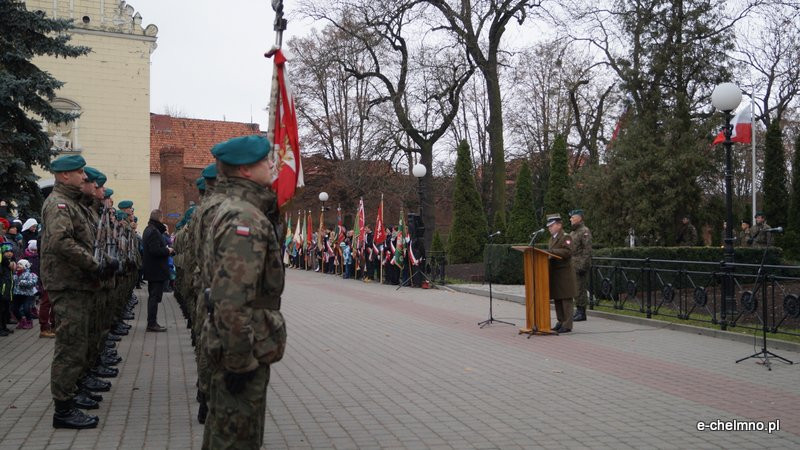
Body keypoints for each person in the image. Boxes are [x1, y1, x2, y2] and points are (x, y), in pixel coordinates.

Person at [202, 135, 287, 450]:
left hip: (237, 344)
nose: (271, 166)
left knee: (226, 434)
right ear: (246, 171)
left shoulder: (238, 209)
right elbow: (233, 300)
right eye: (265, 161)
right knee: (236, 440)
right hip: (242, 350)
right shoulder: (244, 218)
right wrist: (240, 361)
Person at [41, 154, 112, 429]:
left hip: (77, 282)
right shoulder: (59, 204)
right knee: (70, 346)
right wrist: (94, 264)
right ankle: (64, 408)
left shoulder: (73, 204)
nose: (85, 177)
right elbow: (61, 242)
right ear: (63, 176)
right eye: (79, 172)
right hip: (67, 283)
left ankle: (74, 391)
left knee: (78, 342)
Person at [142, 208, 173, 332]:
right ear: (159, 218)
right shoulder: (153, 231)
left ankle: (152, 322)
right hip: (156, 270)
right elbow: (154, 250)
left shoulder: (149, 229)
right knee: (154, 297)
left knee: (154, 296)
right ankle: (152, 323)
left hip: (153, 270)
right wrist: (168, 250)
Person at [545, 213, 577, 334]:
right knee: (558, 299)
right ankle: (560, 321)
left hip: (564, 274)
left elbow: (568, 252)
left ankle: (567, 325)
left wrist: (551, 252)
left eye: (552, 225)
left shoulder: (566, 237)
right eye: (549, 226)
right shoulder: (552, 238)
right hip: (556, 274)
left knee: (566, 300)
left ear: (559, 225)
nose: (550, 228)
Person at [569, 209, 592, 322]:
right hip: (572, 264)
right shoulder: (573, 232)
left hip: (580, 265)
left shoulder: (584, 231)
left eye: (573, 217)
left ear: (579, 218)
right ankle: (577, 310)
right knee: (575, 288)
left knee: (580, 288)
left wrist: (583, 265)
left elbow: (587, 250)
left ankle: (581, 312)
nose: (570, 219)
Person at [12, 259, 37, 329]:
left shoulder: (30, 274)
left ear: (25, 266)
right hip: (17, 294)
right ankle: (21, 321)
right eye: (18, 264)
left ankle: (29, 322)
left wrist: (23, 282)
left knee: (26, 309)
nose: (18, 265)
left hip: (27, 295)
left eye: (20, 264)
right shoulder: (15, 274)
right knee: (14, 309)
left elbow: (33, 282)